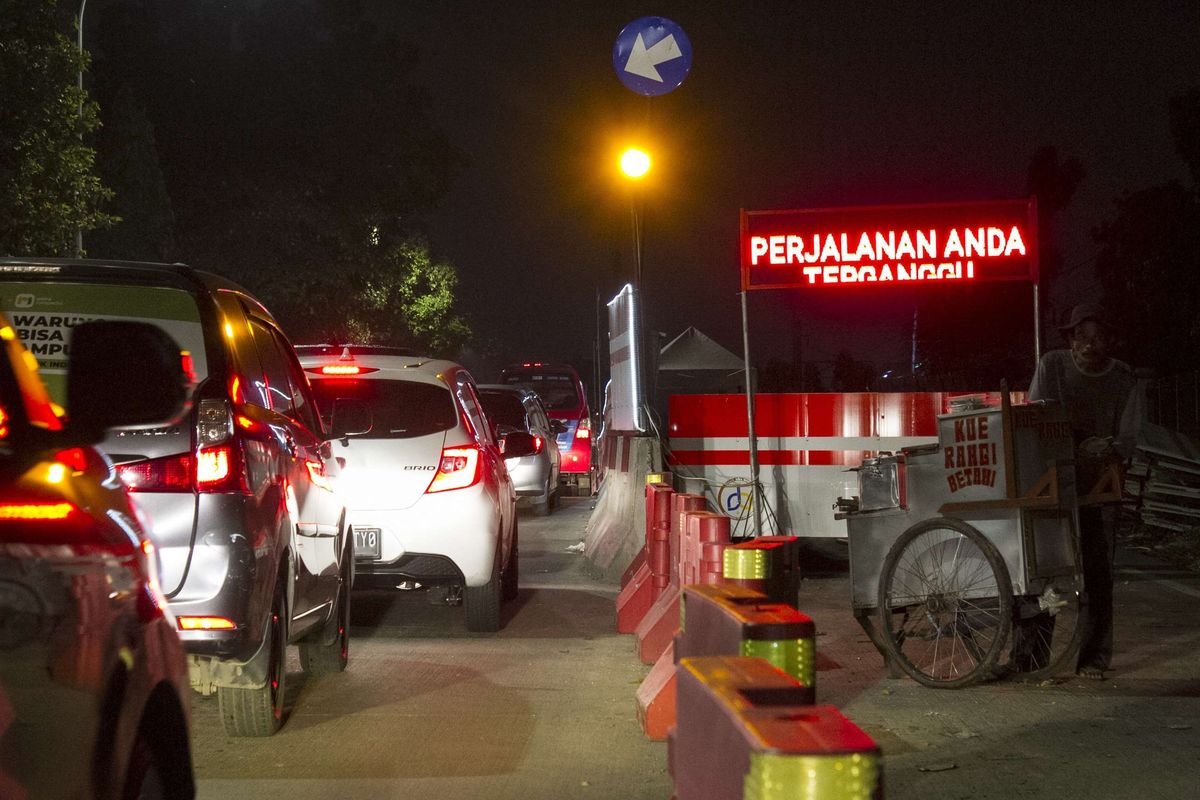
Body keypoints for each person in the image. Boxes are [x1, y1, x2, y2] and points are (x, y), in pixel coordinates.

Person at [1027, 302, 1140, 680]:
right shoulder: (1052, 366)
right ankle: (1030, 658)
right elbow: (1035, 417)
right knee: (1042, 572)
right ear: (1071, 340)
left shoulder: (1123, 378)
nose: (1089, 345)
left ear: (1108, 341)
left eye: (1097, 337)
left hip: (1101, 483)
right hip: (1053, 481)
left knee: (1097, 575)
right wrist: (1073, 448)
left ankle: (1092, 659)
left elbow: (1128, 435)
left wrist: (1106, 448)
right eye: (1081, 337)